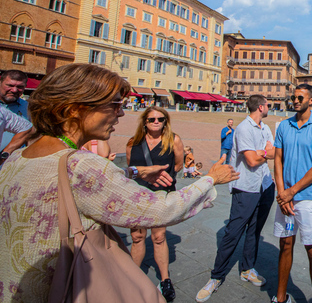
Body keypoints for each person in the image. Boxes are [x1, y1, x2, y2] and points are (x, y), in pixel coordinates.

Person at [0, 63, 238, 302]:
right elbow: (160, 209)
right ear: (73, 109)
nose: (121, 113)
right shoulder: (81, 165)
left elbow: (81, 189)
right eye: (114, 105)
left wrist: (135, 172)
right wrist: (211, 179)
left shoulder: (16, 157)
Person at [196, 95, 276, 302]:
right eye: (268, 104)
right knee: (233, 232)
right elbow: (250, 160)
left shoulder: (265, 128)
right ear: (260, 107)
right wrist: (263, 152)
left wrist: (263, 152)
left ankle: (247, 268)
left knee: (254, 231)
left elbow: (274, 151)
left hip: (265, 185)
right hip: (246, 187)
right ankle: (216, 276)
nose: (269, 107)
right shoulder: (243, 129)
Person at [272, 84, 312, 303]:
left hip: (308, 198)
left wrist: (291, 192)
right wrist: (281, 193)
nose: (295, 100)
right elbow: (278, 159)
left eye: (300, 97)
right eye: (293, 97)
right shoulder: (284, 125)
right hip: (285, 198)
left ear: (311, 101)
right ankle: (280, 297)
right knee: (285, 244)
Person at [126, 106, 185, 301]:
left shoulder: (173, 140)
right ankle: (133, 277)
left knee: (159, 237)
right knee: (137, 236)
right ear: (144, 122)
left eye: (161, 119)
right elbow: (130, 169)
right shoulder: (133, 142)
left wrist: (164, 178)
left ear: (165, 122)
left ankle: (165, 279)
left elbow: (178, 164)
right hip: (138, 194)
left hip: (161, 193)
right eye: (152, 119)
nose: (156, 122)